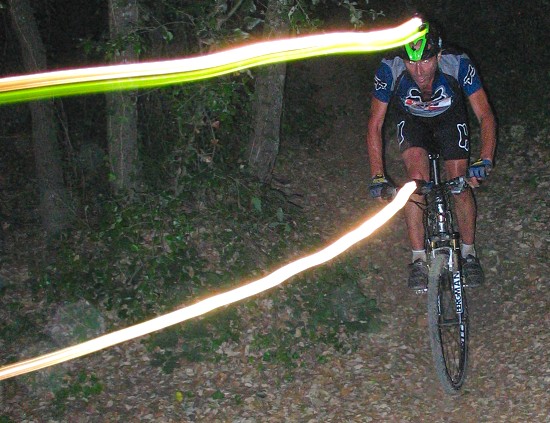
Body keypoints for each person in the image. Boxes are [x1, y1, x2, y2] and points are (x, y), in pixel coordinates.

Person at [365, 20, 497, 290]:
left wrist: (485, 159)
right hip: (412, 121)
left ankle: (469, 253)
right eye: (411, 62)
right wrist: (377, 175)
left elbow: (485, 114)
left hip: (450, 118)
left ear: (438, 55)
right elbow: (375, 124)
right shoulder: (389, 68)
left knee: (460, 183)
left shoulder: (458, 63)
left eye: (425, 61)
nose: (418, 71)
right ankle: (418, 259)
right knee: (415, 183)